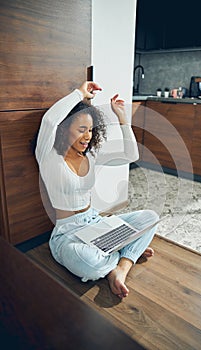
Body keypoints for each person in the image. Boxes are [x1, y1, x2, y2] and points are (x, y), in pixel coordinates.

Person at [35, 81, 159, 298]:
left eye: (91, 130)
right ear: (65, 129)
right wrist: (79, 94)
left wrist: (122, 117)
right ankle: (125, 253)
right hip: (68, 234)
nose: (87, 136)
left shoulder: (91, 156)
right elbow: (49, 121)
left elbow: (132, 155)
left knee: (150, 218)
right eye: (81, 129)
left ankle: (120, 267)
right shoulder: (49, 156)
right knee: (85, 261)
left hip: (96, 223)